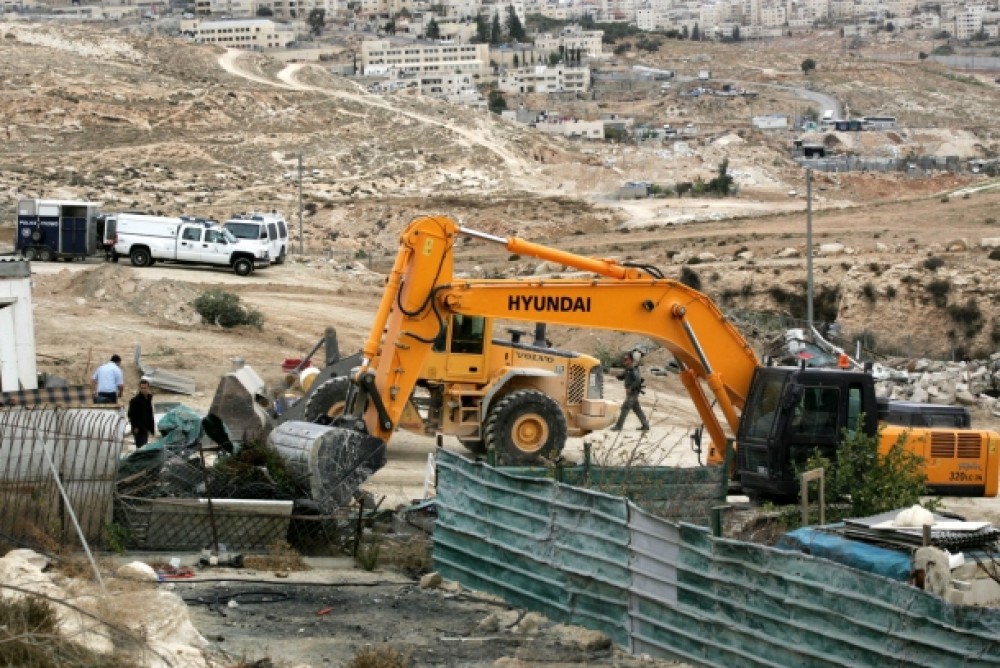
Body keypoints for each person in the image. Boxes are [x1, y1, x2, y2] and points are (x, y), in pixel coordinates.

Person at [612, 352, 649, 431]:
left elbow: (637, 380)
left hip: (633, 392)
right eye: (624, 359)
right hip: (631, 392)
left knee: (625, 407)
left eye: (626, 359)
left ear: (631, 360)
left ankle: (618, 426)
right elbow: (623, 376)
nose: (624, 361)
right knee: (637, 409)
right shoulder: (628, 368)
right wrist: (617, 375)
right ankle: (645, 425)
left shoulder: (633, 368)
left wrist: (631, 388)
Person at [127, 378, 155, 447]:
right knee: (141, 447)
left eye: (145, 388)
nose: (144, 390)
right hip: (139, 428)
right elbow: (131, 415)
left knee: (144, 446)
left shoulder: (148, 399)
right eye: (142, 388)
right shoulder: (135, 401)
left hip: (145, 427)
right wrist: (135, 426)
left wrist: (151, 427)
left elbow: (149, 413)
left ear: (148, 388)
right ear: (139, 388)